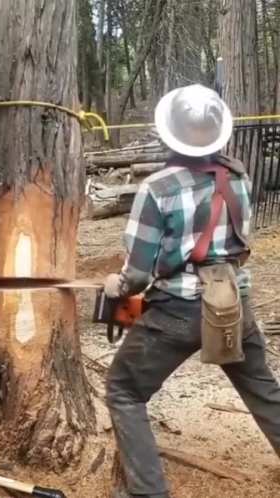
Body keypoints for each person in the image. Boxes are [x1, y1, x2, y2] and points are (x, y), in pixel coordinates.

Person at [104, 84, 280, 498]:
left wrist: (118, 284)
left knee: (124, 391)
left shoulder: (158, 188)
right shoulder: (238, 177)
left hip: (178, 310)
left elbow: (139, 275)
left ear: (168, 133)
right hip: (233, 302)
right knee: (265, 391)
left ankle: (147, 492)